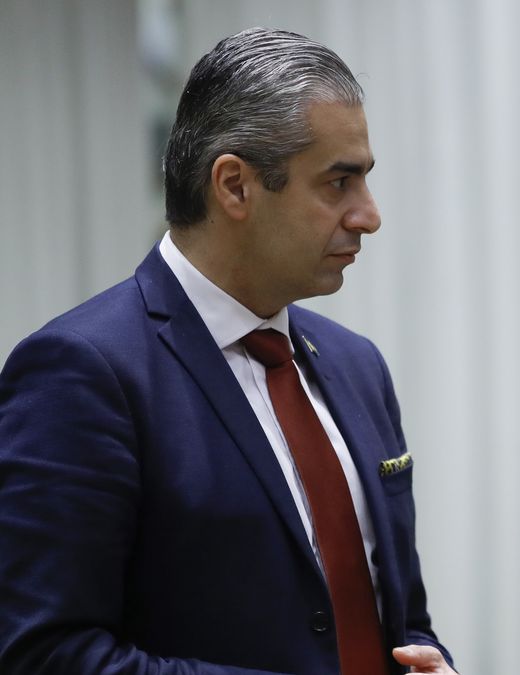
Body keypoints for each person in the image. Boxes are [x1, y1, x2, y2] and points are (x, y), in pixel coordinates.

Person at [0, 28, 456, 675]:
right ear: (235, 186)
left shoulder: (358, 367)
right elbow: (45, 654)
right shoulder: (81, 372)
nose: (369, 215)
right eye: (339, 182)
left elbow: (399, 619)